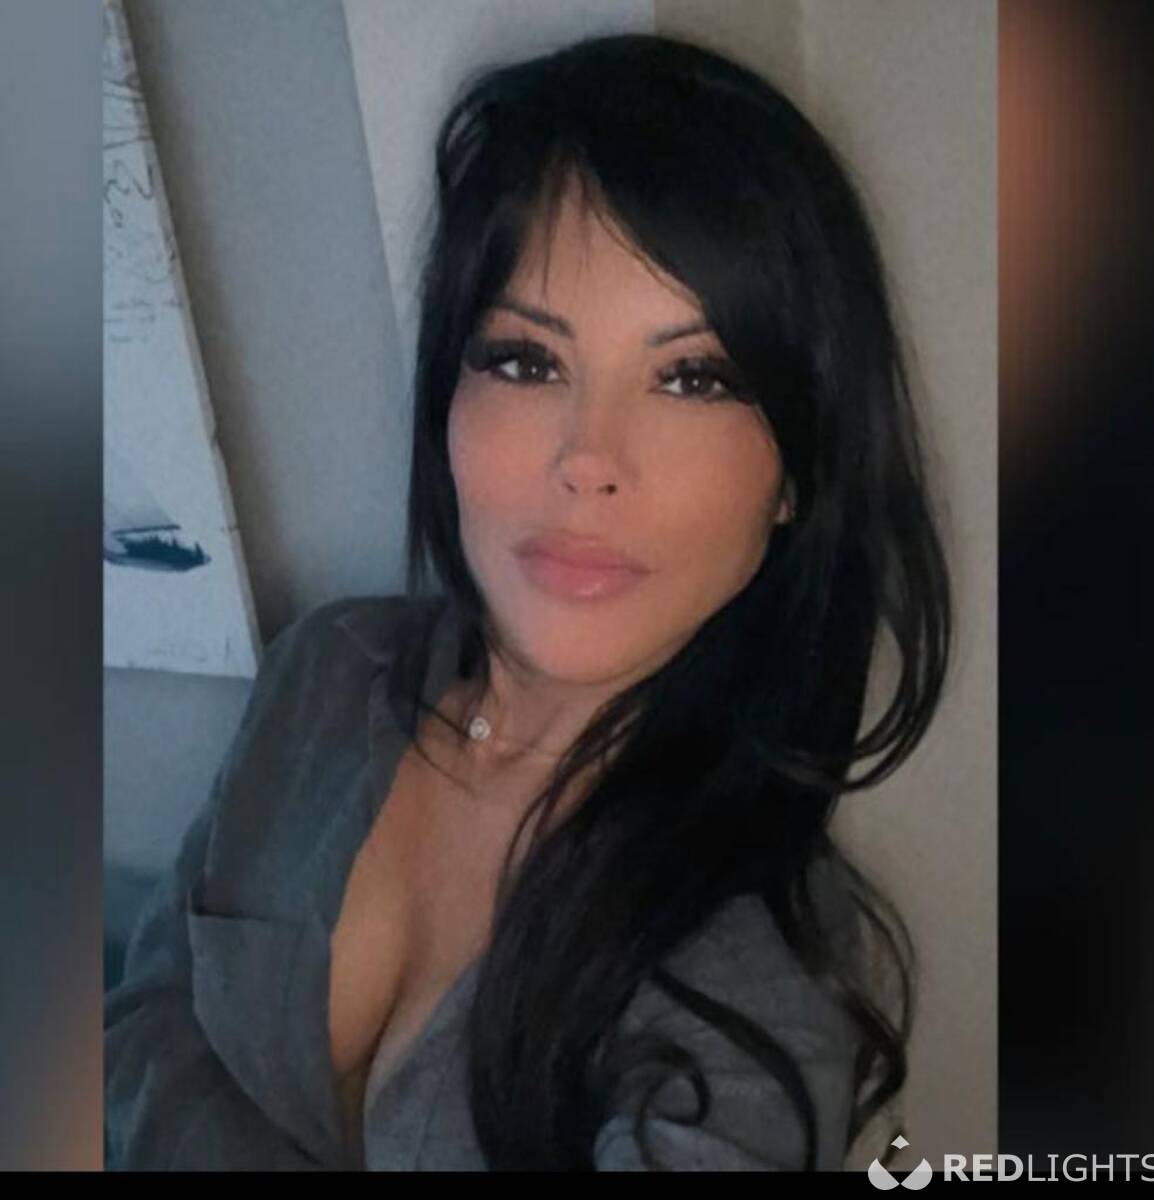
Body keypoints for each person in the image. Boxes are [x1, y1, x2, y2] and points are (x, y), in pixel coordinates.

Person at [105, 32, 951, 1171]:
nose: (587, 460)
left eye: (693, 377)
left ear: (797, 471)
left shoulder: (759, 966)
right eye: (525, 360)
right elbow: (147, 1024)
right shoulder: (326, 669)